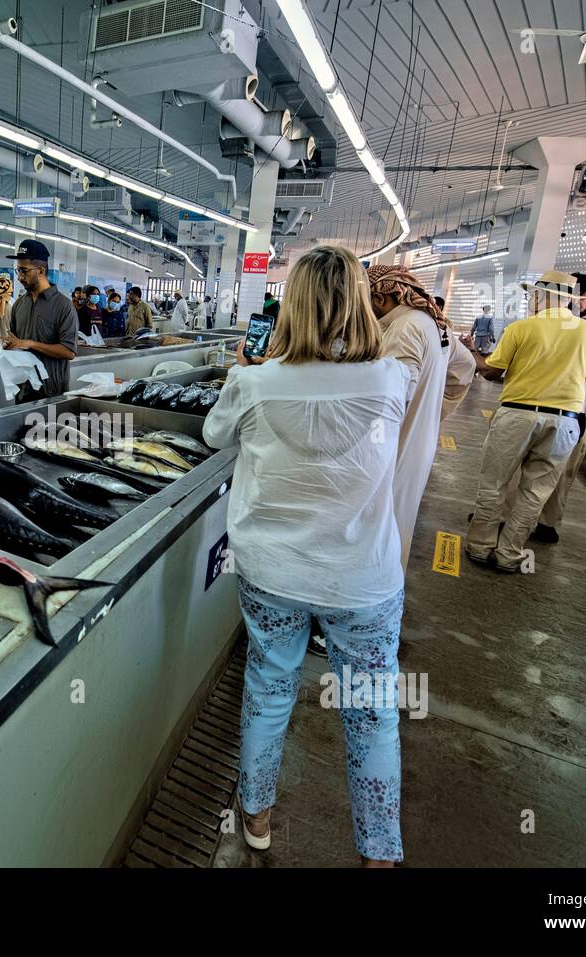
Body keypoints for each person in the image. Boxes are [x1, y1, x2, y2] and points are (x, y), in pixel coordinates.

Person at [202, 244, 410, 865]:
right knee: (371, 713)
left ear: (289, 305)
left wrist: (247, 368)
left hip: (272, 572)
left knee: (269, 687)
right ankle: (378, 853)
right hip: (364, 580)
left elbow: (215, 436)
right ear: (360, 305)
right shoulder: (392, 377)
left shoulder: (254, 382)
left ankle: (257, 816)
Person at [463, 270, 586, 572]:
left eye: (532, 294)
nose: (530, 299)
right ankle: (510, 554)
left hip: (517, 415)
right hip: (565, 423)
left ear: (542, 296)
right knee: (535, 492)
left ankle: (480, 546)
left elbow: (492, 372)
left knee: (494, 483)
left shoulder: (521, 328)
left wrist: (472, 350)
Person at [515, 275, 586, 544]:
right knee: (518, 463)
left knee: (564, 469)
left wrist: (565, 360)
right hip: (532, 403)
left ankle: (547, 522)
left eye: (578, 297)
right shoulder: (541, 323)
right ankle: (507, 517)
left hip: (577, 411)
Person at [366, 264, 452, 570]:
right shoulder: (435, 325)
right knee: (398, 523)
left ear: (380, 299)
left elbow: (388, 400)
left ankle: (376, 604)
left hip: (396, 447)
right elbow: (464, 370)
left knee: (382, 529)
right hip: (419, 442)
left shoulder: (405, 329)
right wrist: (433, 413)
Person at [2, 239, 77, 402]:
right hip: (22, 389)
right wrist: (9, 346)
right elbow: (16, 342)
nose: (20, 277)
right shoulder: (19, 304)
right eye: (18, 271)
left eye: (24, 271)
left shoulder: (63, 306)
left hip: (50, 392)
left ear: (41, 270)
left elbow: (69, 352)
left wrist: (32, 344)